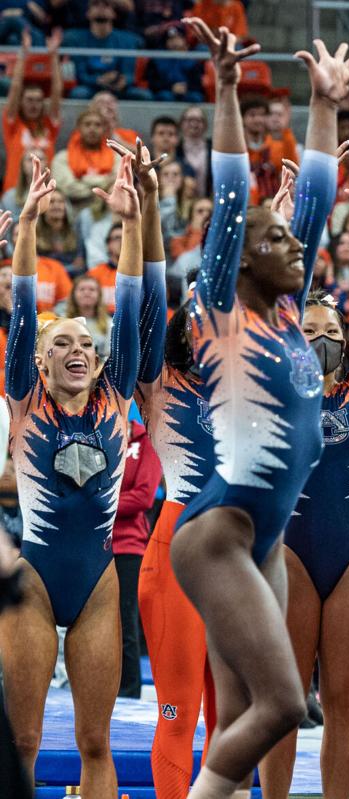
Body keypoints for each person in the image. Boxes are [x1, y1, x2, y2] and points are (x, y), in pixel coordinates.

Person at [167, 21, 349, 799]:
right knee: (283, 702)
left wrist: (324, 106)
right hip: (220, 533)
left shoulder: (285, 312)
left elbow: (314, 198)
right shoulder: (220, 311)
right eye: (276, 240)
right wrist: (226, 90)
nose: (296, 246)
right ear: (241, 256)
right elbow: (231, 198)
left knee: (244, 709)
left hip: (264, 543)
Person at [1, 152, 141, 799]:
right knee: (23, 740)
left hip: (97, 583)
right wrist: (28, 225)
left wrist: (133, 223)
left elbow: (131, 305)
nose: (77, 350)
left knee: (95, 741)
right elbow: (24, 303)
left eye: (86, 342)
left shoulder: (115, 396)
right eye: (62, 343)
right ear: (39, 359)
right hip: (34, 578)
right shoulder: (25, 397)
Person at [113, 137, 219, 799]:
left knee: (234, 716)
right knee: (178, 714)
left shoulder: (251, 385)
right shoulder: (159, 383)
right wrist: (148, 208)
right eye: (199, 311)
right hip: (178, 543)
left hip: (244, 548)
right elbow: (150, 297)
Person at [258, 282, 349, 797]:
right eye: (309, 330)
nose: (322, 339)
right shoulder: (274, 389)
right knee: (285, 700)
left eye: (331, 331)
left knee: (343, 703)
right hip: (291, 554)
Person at [112, 416, 162, 699]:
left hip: (129, 546)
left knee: (124, 618)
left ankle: (129, 689)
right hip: (97, 543)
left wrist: (102, 504)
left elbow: (144, 497)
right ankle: (104, 686)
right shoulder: (101, 437)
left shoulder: (146, 443)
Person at [3, 30, 63, 193]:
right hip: (14, 193)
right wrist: (23, 54)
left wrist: (53, 56)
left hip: (45, 192)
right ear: (21, 103)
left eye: (38, 100)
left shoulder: (49, 126)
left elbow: (57, 90)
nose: (34, 105)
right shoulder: (13, 125)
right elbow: (15, 87)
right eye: (29, 100)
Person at [64, 0, 152, 100]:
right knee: (78, 93)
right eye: (96, 4)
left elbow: (129, 74)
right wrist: (98, 80)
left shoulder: (128, 40)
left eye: (106, 5)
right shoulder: (76, 39)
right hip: (91, 87)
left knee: (144, 95)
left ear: (114, 14)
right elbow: (80, 74)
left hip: (118, 87)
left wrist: (122, 80)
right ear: (87, 13)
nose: (101, 8)